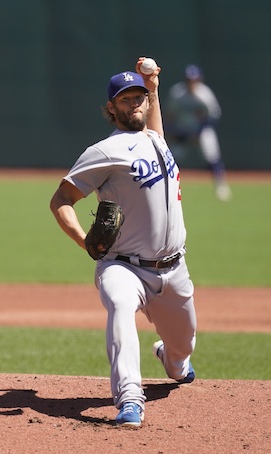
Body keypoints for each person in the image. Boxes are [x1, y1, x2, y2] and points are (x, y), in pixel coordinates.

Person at [49, 58, 197, 427]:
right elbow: (60, 201)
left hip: (174, 269)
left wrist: (155, 88)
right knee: (119, 306)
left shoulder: (156, 141)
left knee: (183, 351)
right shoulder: (104, 152)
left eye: (139, 98)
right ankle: (130, 398)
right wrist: (85, 241)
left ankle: (172, 359)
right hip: (123, 266)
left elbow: (155, 127)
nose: (135, 103)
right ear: (111, 107)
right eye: (126, 98)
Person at [165, 64, 231, 201]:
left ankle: (221, 186)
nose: (191, 83)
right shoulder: (177, 93)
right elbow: (169, 114)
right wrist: (172, 131)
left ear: (199, 80)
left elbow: (213, 117)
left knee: (211, 157)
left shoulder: (205, 94)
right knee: (173, 159)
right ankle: (169, 188)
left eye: (194, 80)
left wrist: (198, 132)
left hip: (201, 131)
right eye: (189, 80)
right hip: (182, 131)